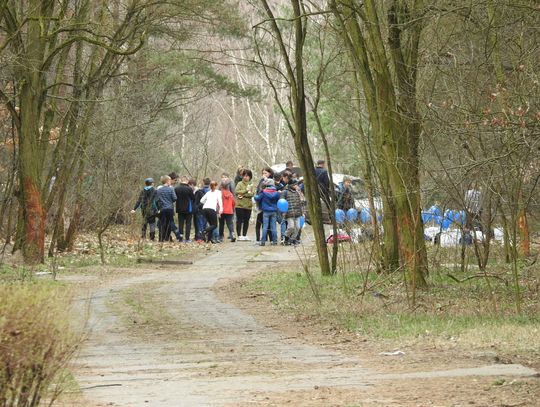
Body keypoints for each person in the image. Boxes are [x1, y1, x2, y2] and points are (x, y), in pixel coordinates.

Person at [254, 178, 280, 246]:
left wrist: (254, 196)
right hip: (274, 211)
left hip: (266, 211)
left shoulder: (264, 192)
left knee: (265, 226)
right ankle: (275, 241)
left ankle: (263, 241)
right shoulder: (276, 192)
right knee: (273, 226)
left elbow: (258, 198)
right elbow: (278, 200)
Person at [155, 175, 179, 242]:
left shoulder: (159, 190)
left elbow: (157, 200)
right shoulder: (171, 189)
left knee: (162, 223)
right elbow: (175, 198)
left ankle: (161, 238)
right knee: (169, 223)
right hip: (169, 209)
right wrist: (169, 201)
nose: (171, 182)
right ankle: (167, 238)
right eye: (170, 180)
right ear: (167, 181)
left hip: (162, 209)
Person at [281, 180, 304, 245]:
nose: (297, 186)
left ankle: (293, 239)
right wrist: (283, 211)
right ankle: (285, 238)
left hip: (297, 213)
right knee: (291, 227)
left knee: (297, 227)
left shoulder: (297, 192)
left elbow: (301, 203)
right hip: (289, 213)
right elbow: (282, 201)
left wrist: (302, 212)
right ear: (291, 185)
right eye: (295, 185)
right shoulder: (285, 192)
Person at [255, 167, 274, 242]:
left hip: (269, 205)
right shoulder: (261, 181)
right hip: (261, 204)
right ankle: (258, 239)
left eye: (265, 173)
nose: (264, 175)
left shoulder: (271, 181)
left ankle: (270, 239)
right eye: (263, 173)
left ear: (270, 173)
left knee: (268, 224)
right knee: (259, 223)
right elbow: (258, 191)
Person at [235, 169, 254, 241]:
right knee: (239, 220)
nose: (245, 177)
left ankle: (244, 235)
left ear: (250, 177)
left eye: (247, 176)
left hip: (248, 206)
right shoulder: (239, 183)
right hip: (240, 205)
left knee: (246, 220)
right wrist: (246, 190)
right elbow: (237, 192)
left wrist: (243, 194)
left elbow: (252, 194)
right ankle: (239, 235)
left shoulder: (251, 184)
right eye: (244, 176)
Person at [175, 176, 195, 242]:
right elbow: (193, 198)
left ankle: (180, 238)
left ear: (181, 180)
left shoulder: (176, 188)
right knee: (188, 224)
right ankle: (187, 238)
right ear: (187, 181)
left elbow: (175, 198)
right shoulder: (189, 189)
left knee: (180, 223)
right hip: (188, 209)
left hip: (179, 208)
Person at [194, 178, 210, 242]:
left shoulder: (199, 191)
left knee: (200, 224)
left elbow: (198, 201)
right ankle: (205, 236)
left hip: (200, 210)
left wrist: (197, 207)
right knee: (204, 223)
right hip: (208, 209)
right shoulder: (211, 191)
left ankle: (200, 237)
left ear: (203, 183)